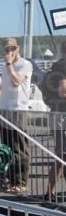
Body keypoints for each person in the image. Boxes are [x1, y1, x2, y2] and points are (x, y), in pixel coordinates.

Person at [0, 37, 33, 193]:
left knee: (19, 146)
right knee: (7, 147)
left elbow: (16, 81)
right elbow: (3, 86)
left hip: (18, 109)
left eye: (12, 48)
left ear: (18, 48)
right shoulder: (6, 66)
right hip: (5, 109)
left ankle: (21, 181)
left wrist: (9, 64)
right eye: (7, 49)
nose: (9, 51)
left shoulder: (25, 64)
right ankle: (11, 179)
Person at [41, 40, 66, 199]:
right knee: (62, 155)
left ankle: (49, 191)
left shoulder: (55, 68)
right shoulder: (62, 68)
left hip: (56, 114)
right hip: (62, 116)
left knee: (61, 155)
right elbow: (63, 92)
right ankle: (49, 192)